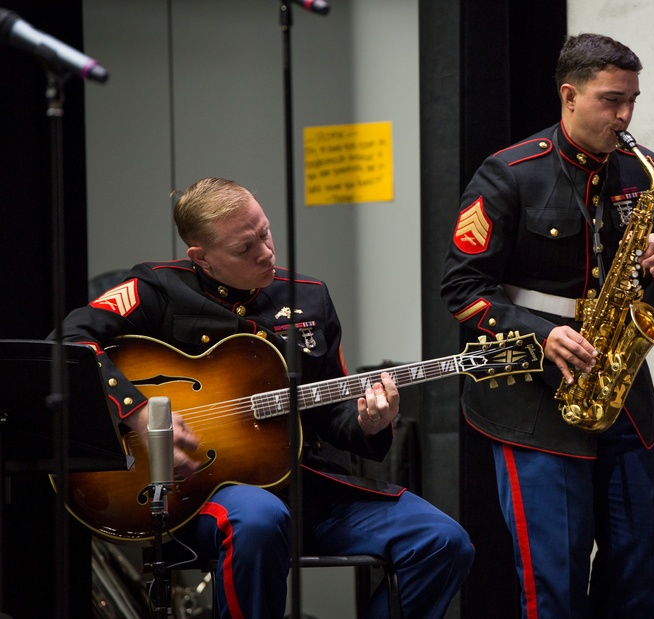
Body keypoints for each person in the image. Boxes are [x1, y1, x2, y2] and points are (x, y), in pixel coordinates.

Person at [55, 177, 474, 618]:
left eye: (266, 232)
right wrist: (138, 414)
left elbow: (334, 412)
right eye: (244, 248)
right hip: (196, 495)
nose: (266, 252)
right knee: (257, 519)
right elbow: (69, 342)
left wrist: (371, 421)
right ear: (202, 259)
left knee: (443, 542)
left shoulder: (309, 296)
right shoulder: (156, 288)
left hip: (303, 483)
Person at [440, 33, 654, 618]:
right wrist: (540, 333)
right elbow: (462, 289)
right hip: (531, 399)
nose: (624, 117)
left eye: (632, 101)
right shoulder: (508, 174)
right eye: (611, 100)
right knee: (556, 586)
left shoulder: (643, 171)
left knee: (638, 576)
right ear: (569, 96)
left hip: (621, 394)